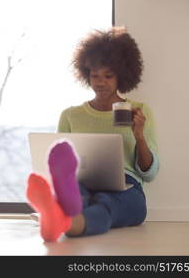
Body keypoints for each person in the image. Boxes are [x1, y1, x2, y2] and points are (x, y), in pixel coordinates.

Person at [26, 26, 159, 242]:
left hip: (126, 185)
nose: (100, 82)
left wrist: (139, 136)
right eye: (94, 75)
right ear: (86, 74)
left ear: (122, 76)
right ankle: (66, 208)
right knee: (80, 192)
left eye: (108, 75)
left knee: (107, 203)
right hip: (82, 182)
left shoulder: (138, 111)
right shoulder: (70, 115)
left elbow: (149, 174)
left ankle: (60, 216)